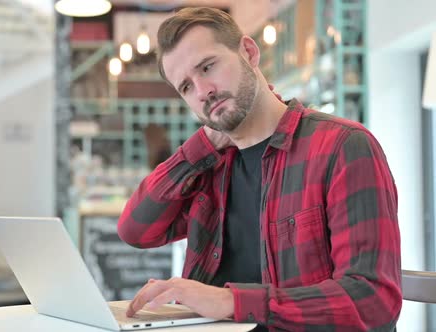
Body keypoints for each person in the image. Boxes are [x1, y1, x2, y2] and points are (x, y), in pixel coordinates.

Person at [117, 7, 401, 331]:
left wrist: (229, 302)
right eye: (186, 87)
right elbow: (135, 231)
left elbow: (373, 302)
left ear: (248, 52)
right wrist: (198, 149)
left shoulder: (342, 146)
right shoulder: (210, 169)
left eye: (208, 66)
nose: (202, 91)